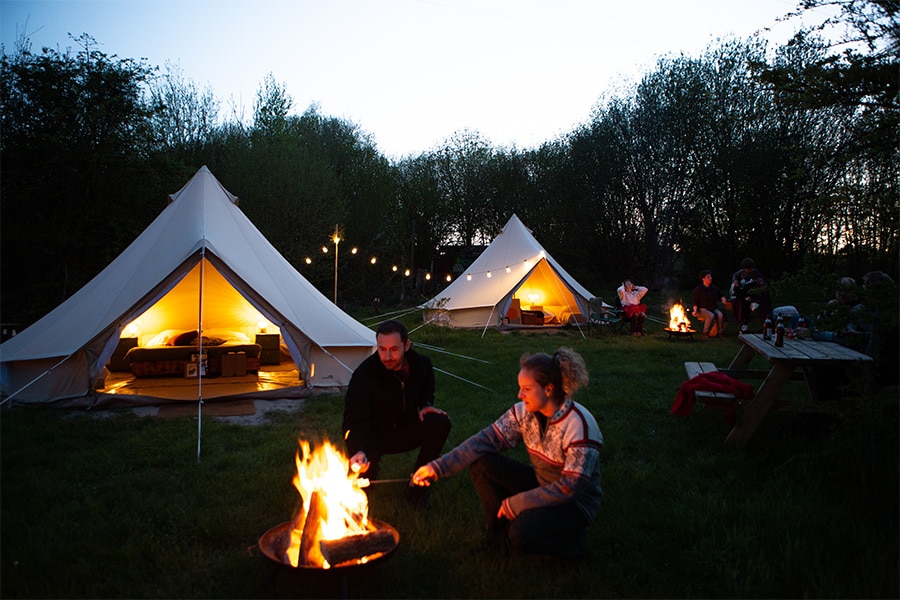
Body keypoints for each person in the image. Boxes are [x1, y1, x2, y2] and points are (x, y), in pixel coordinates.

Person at [411, 347, 603, 559]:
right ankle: (496, 540)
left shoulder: (579, 426)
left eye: (527, 389)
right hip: (543, 484)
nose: (520, 395)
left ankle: (571, 544)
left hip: (574, 504)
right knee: (482, 464)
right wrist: (437, 468)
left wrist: (518, 503)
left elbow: (569, 489)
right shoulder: (524, 413)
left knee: (521, 535)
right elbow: (482, 442)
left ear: (548, 389)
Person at [342, 319, 451, 508]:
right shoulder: (365, 375)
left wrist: (426, 404)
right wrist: (358, 449)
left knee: (440, 422)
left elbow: (427, 389)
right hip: (375, 435)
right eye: (382, 349)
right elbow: (354, 418)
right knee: (361, 484)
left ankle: (418, 483)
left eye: (394, 349)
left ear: (406, 345)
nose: (387, 356)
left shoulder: (421, 365)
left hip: (406, 429)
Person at [730, 257, 772, 332]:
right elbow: (735, 276)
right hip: (744, 292)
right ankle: (744, 323)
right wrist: (735, 280)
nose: (748, 270)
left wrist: (761, 283)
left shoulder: (755, 273)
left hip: (752, 292)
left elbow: (762, 282)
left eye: (749, 269)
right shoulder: (741, 272)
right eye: (746, 269)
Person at [691, 270, 728, 338]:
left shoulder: (713, 288)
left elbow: (721, 295)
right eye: (708, 277)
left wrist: (723, 298)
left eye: (710, 276)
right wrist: (695, 310)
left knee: (720, 315)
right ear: (703, 279)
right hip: (702, 309)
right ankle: (705, 333)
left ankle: (719, 332)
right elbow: (695, 302)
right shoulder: (698, 289)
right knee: (711, 315)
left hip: (713, 308)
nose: (710, 278)